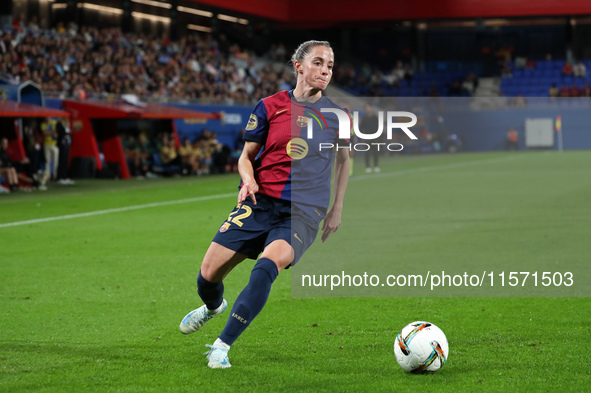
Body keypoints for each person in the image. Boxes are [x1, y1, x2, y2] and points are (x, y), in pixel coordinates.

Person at [178, 40, 350, 369]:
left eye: (329, 65)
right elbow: (246, 156)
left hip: (303, 212)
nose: (325, 71)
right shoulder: (270, 106)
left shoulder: (337, 116)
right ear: (298, 66)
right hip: (259, 203)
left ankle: (221, 346)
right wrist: (249, 180)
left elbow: (344, 161)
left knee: (265, 269)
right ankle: (213, 307)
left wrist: (337, 207)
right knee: (207, 277)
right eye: (318, 63)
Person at [362, 104, 381, 173]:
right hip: (367, 138)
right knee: (367, 153)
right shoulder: (364, 119)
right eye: (366, 108)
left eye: (369, 108)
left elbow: (379, 126)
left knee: (375, 152)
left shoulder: (375, 118)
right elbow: (361, 128)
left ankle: (376, 166)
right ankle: (368, 167)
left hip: (375, 137)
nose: (368, 109)